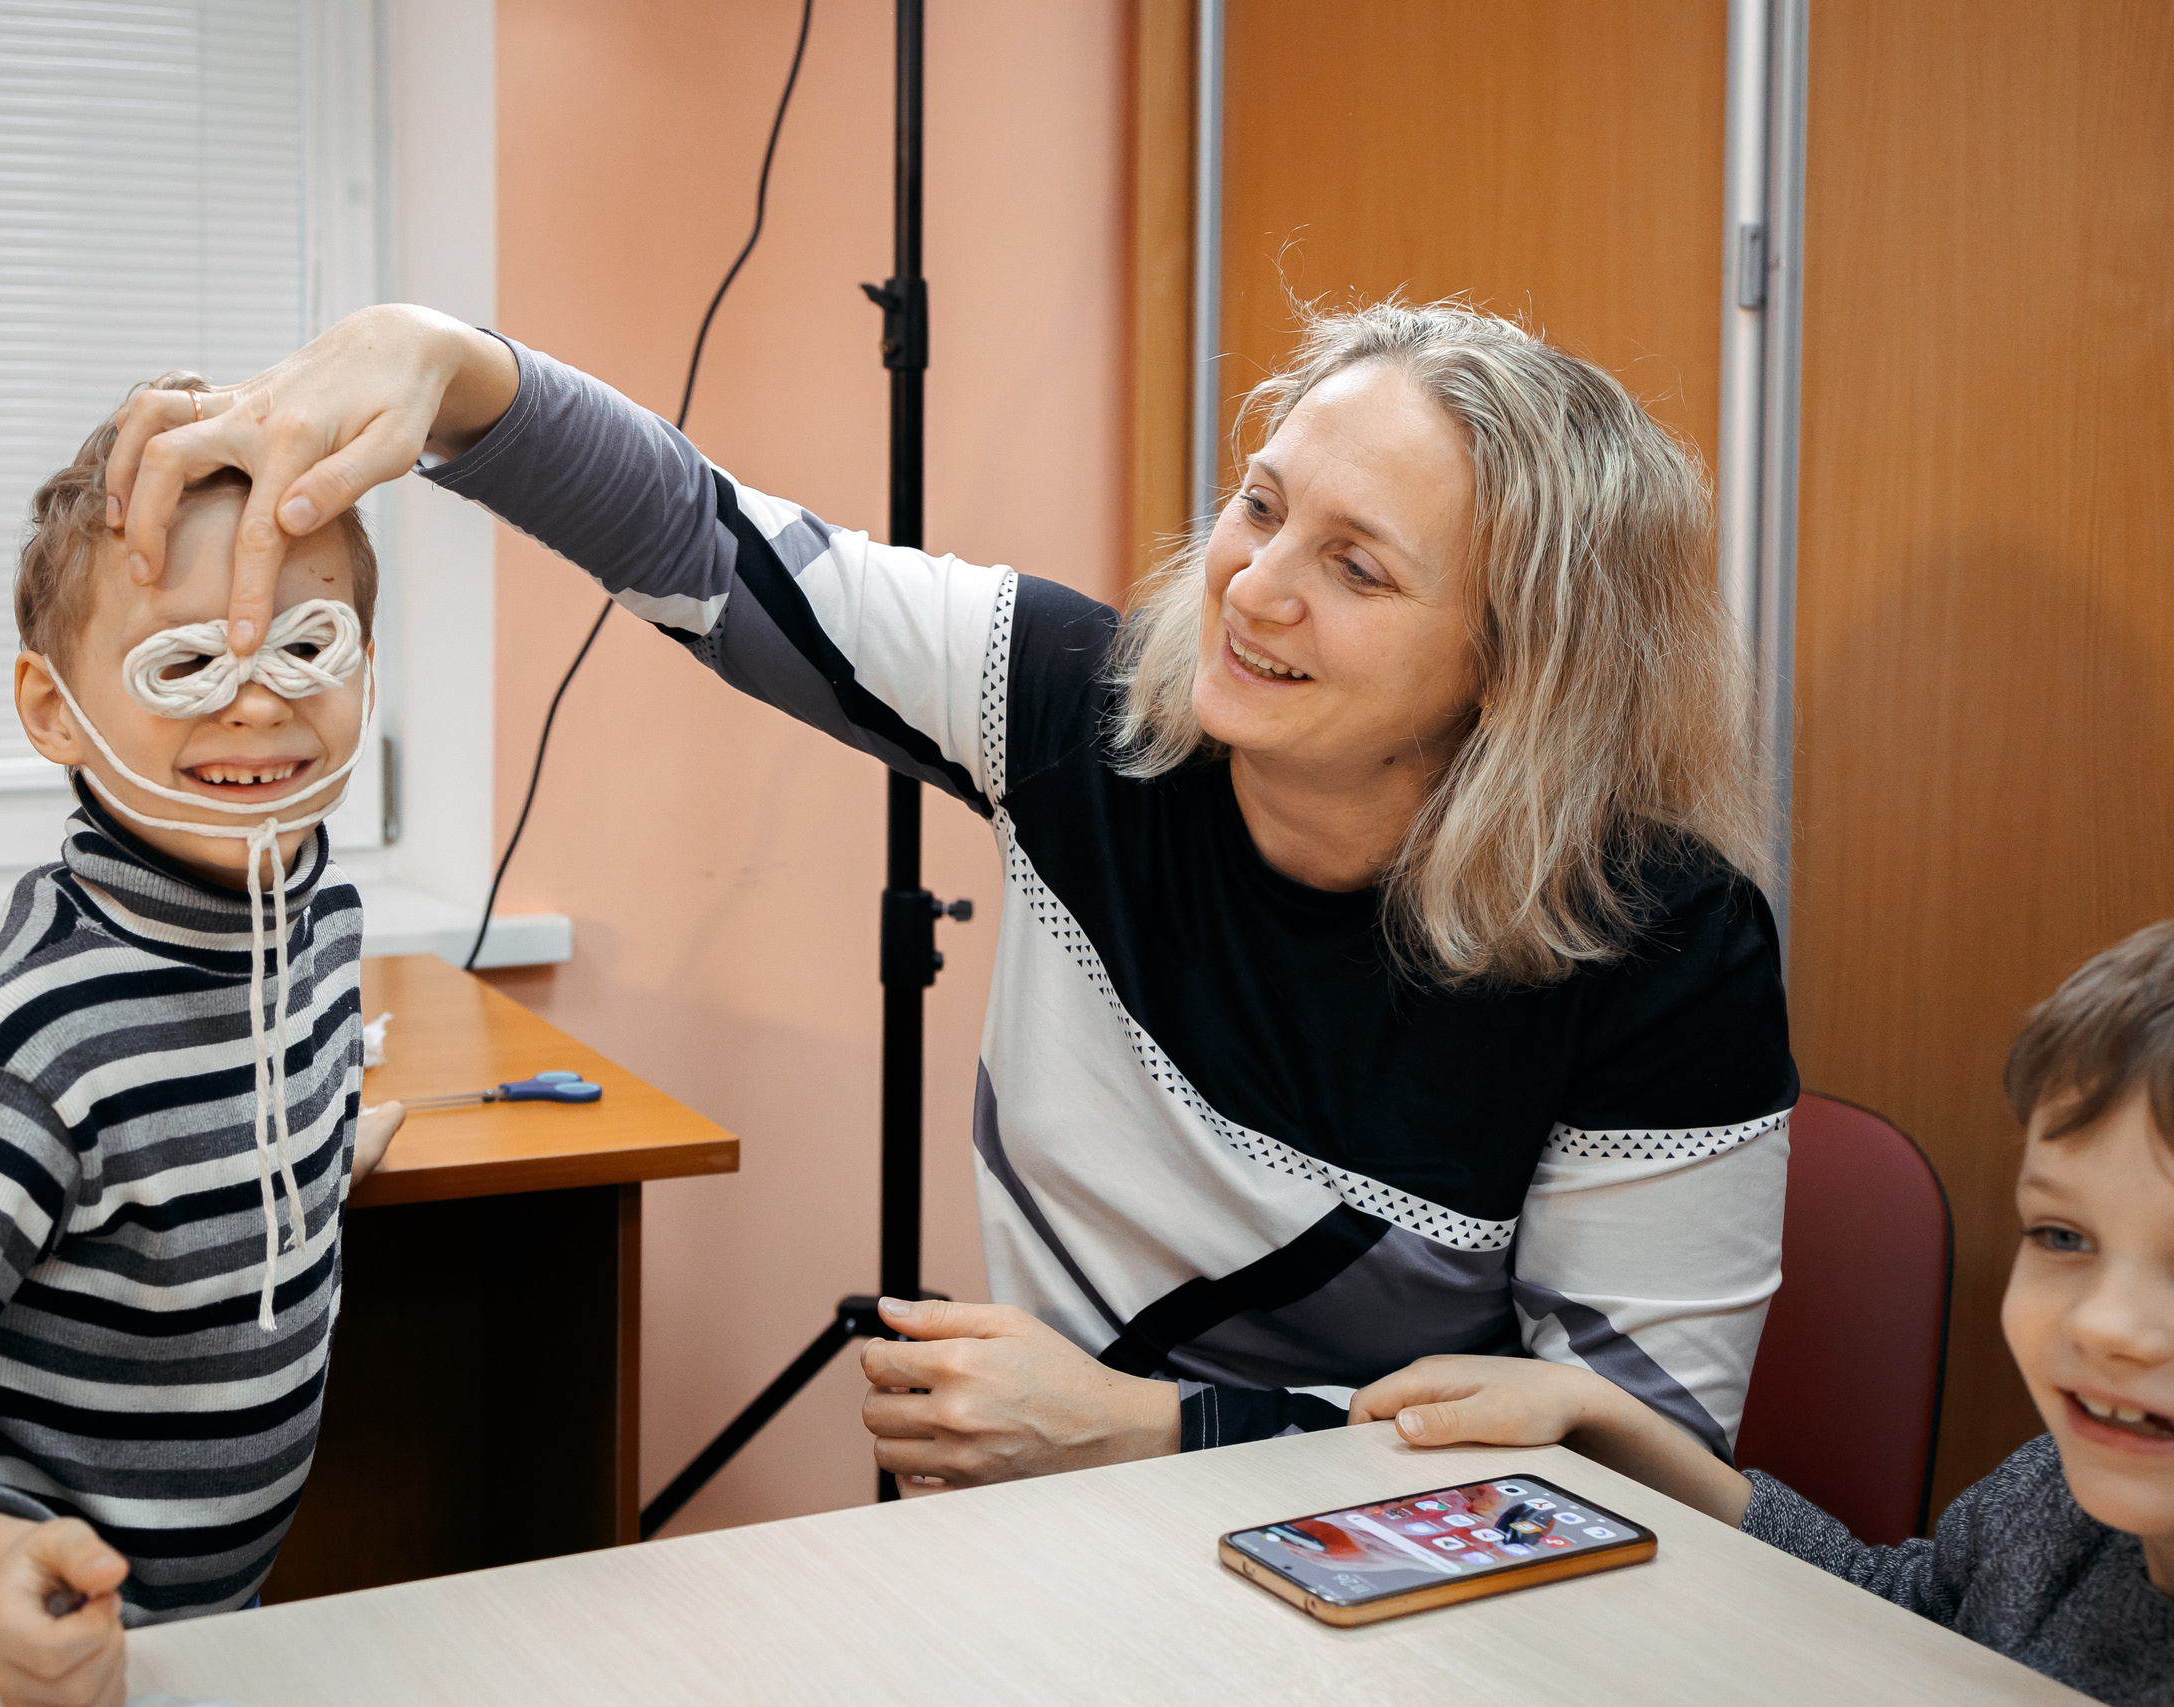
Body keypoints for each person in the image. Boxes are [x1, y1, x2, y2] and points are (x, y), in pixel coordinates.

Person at [102, 298, 1796, 1486]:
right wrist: (451, 369)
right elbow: (714, 548)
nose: (1254, 590)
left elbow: (1621, 1459)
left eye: (1356, 566)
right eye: (1259, 507)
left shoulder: (1663, 943)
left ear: (1516, 667)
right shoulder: (1084, 708)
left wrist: (1149, 1429)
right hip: (1067, 1557)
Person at [0, 374, 405, 1707]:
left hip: (222, 1631)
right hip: (35, 1640)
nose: (259, 703)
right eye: (187, 661)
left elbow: (231, 1106)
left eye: (307, 643)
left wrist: (321, 1146)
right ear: (54, 711)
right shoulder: (26, 1045)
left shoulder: (311, 906)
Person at [1348, 922, 2174, 1707]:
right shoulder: (2053, 1500)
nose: (2104, 1325)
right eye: (2063, 1235)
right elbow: (1895, 1610)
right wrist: (1602, 1413)